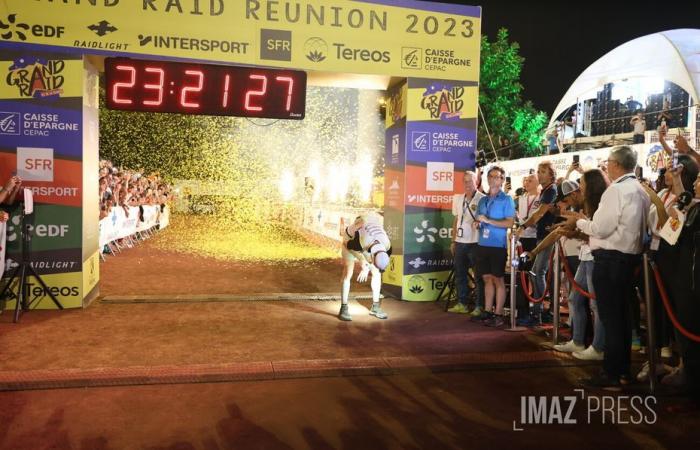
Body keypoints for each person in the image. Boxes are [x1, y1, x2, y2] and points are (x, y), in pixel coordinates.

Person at [562, 145, 651, 390]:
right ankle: (621, 372)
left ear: (616, 164)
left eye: (608, 161)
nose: (606, 166)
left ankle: (613, 373)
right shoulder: (640, 190)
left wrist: (579, 221)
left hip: (611, 259)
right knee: (621, 319)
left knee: (613, 319)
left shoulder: (617, 191)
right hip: (627, 259)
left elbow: (601, 228)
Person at [553, 173, 609, 361]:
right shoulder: (590, 205)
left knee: (596, 304)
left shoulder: (602, 204)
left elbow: (597, 232)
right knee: (575, 298)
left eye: (582, 184)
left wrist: (577, 225)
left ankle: (599, 347)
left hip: (595, 256)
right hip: (585, 255)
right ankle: (577, 340)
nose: (580, 188)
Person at [472, 165, 516, 327]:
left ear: (502, 180)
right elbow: (478, 220)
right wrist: (477, 224)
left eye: (496, 176)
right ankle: (488, 311)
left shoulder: (507, 199)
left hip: (498, 245)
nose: (492, 179)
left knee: (498, 279)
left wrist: (489, 221)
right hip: (482, 244)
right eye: (490, 176)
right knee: (486, 278)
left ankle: (498, 314)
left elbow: (510, 222)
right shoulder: (483, 200)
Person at [517, 161, 558, 324]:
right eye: (539, 171)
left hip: (548, 236)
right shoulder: (546, 191)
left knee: (538, 272)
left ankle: (538, 312)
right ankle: (539, 311)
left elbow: (540, 213)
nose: (539, 174)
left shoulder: (551, 190)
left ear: (550, 174)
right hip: (541, 236)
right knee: (536, 272)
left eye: (543, 172)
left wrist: (523, 226)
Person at [339, 216, 391, 321]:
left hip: (368, 244)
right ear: (372, 256)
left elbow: (377, 261)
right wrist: (363, 263)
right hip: (349, 241)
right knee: (348, 272)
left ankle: (375, 307)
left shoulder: (387, 246)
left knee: (377, 273)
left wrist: (368, 267)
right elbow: (347, 245)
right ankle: (343, 307)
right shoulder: (359, 241)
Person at [448, 171, 485, 315]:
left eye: (470, 181)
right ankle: (462, 303)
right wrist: (453, 240)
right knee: (460, 274)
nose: (467, 184)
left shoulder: (482, 199)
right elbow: (456, 220)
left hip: (476, 242)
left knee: (478, 275)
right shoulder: (457, 198)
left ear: (476, 182)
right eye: (465, 181)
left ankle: (479, 306)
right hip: (460, 242)